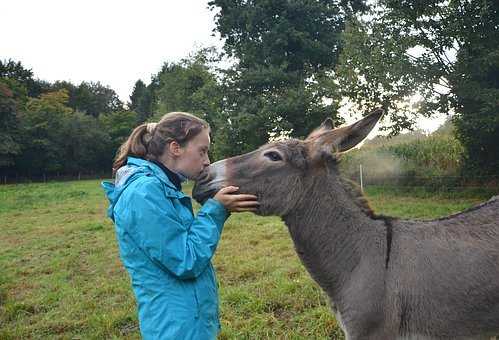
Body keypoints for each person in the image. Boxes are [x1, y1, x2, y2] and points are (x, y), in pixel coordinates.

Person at [102, 112, 259, 339]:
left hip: (186, 322)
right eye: (202, 151)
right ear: (175, 148)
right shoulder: (144, 193)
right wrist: (217, 209)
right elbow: (185, 260)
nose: (207, 161)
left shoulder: (161, 188)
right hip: (175, 328)